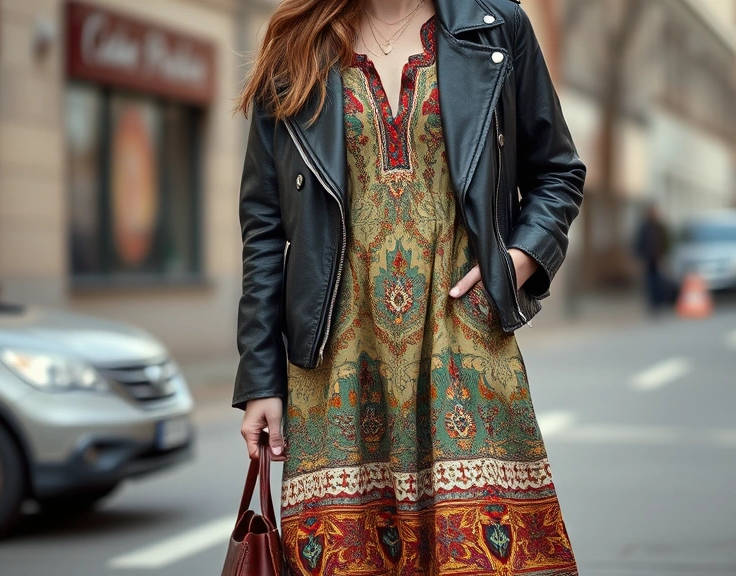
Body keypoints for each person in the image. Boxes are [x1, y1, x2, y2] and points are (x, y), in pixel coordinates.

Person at [233, 0, 585, 574]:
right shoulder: (296, 47)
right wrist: (260, 379)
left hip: (463, 344)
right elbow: (265, 230)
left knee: (484, 556)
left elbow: (558, 172)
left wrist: (516, 262)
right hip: (337, 360)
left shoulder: (496, 28)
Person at [633, 203, 671, 314]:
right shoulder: (644, 227)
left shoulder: (660, 227)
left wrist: (664, 255)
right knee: (649, 282)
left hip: (658, 259)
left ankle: (659, 303)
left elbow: (666, 242)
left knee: (659, 281)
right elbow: (638, 243)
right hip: (648, 259)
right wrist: (640, 257)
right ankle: (652, 304)